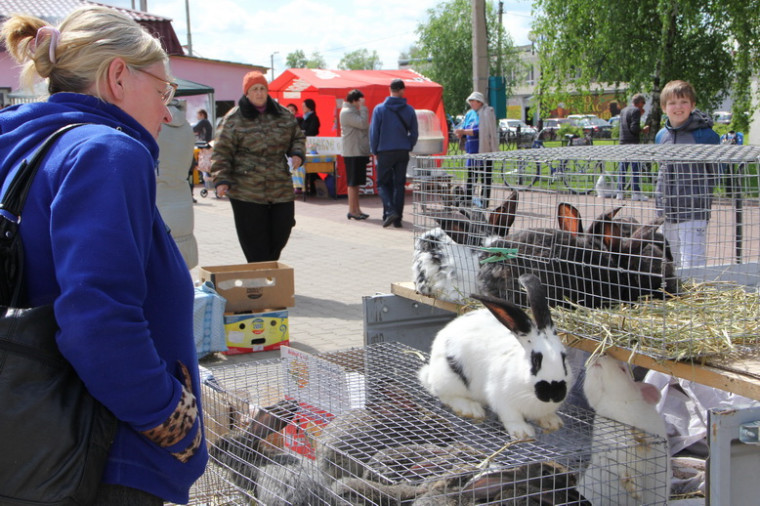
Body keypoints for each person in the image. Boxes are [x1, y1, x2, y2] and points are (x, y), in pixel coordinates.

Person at [0, 6, 207, 505]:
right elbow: (99, 319)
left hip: (28, 447)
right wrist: (170, 422)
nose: (165, 111)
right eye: (163, 91)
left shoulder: (19, 139)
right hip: (101, 457)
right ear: (118, 76)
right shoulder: (106, 151)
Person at [211, 71, 305, 262]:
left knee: (283, 227)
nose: (260, 93)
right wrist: (221, 179)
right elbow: (221, 150)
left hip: (279, 185)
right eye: (255, 89)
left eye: (262, 88)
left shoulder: (283, 114)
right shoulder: (234, 118)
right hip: (246, 189)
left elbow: (297, 137)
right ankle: (260, 276)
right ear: (247, 93)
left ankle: (267, 268)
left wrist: (297, 153)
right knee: (254, 239)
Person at [654, 79, 720, 269]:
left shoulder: (705, 136)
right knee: (668, 256)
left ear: (692, 105)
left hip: (693, 207)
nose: (678, 107)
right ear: (664, 107)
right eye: (672, 103)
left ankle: (695, 296)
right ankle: (674, 294)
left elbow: (715, 169)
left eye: (683, 102)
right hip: (666, 208)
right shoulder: (661, 136)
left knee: (692, 258)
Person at [369, 78, 418, 228]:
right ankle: (397, 219)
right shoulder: (409, 110)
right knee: (399, 184)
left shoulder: (379, 109)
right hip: (402, 151)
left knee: (383, 183)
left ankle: (390, 211)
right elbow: (414, 133)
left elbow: (374, 132)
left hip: (384, 151)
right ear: (402, 91)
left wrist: (374, 149)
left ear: (389, 90)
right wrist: (408, 145)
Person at [157, 99, 199, 268]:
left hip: (157, 195)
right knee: (180, 252)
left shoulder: (152, 123)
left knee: (161, 255)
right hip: (181, 193)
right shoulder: (186, 127)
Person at [454, 91, 499, 208]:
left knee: (485, 177)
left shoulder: (486, 113)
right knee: (471, 176)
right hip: (472, 150)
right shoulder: (469, 114)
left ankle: (484, 202)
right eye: (470, 102)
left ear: (479, 102)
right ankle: (468, 199)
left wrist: (464, 131)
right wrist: (461, 133)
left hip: (484, 149)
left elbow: (482, 131)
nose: (471, 104)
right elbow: (464, 128)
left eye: (473, 101)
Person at [340, 89, 371, 220]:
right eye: (360, 100)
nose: (361, 103)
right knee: (352, 183)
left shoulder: (352, 111)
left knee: (356, 183)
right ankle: (352, 210)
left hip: (357, 151)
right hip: (352, 152)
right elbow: (363, 124)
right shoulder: (347, 112)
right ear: (354, 100)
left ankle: (357, 209)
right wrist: (363, 108)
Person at [616, 93, 650, 200]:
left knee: (623, 168)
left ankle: (620, 192)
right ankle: (636, 192)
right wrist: (643, 130)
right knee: (635, 168)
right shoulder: (635, 111)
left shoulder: (623, 110)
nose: (642, 107)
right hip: (633, 143)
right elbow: (634, 128)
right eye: (642, 104)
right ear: (639, 103)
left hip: (623, 142)